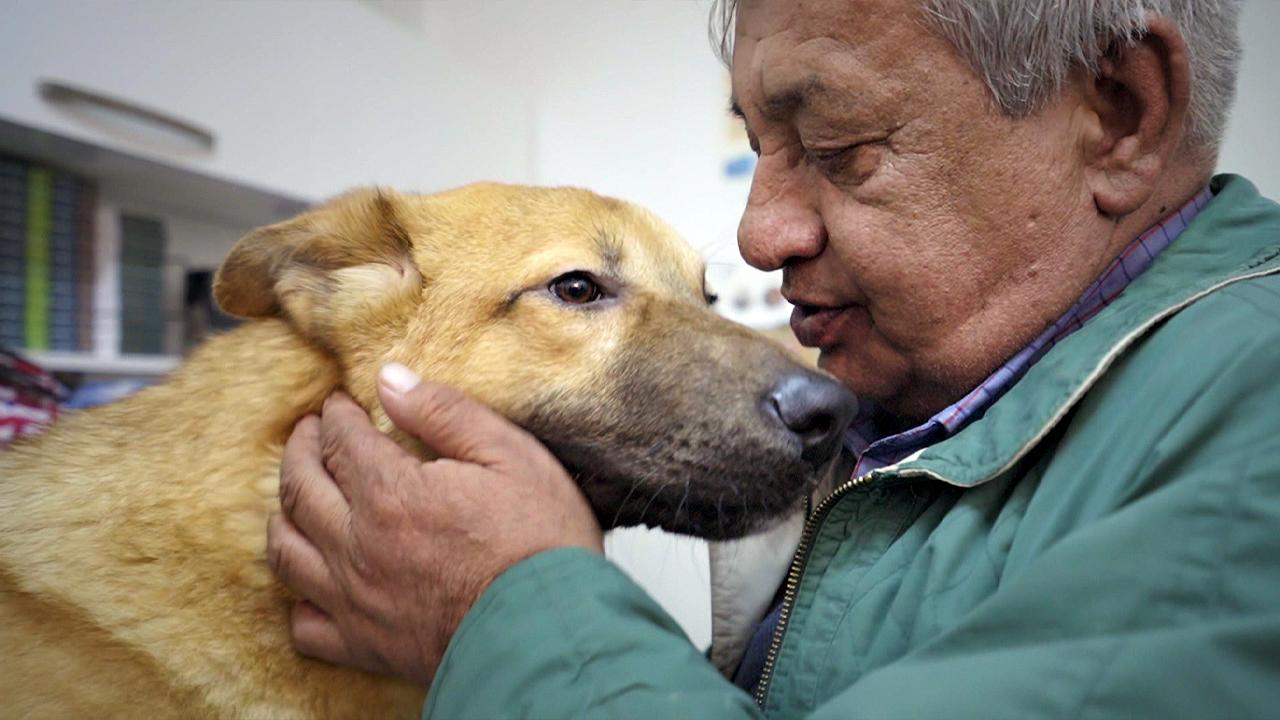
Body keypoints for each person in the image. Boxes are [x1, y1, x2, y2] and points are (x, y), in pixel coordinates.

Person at [266, 0, 1280, 716]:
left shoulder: (1251, 421)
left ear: (1118, 112)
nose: (759, 234)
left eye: (838, 145)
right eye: (760, 146)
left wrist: (507, 610)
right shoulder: (904, 401)